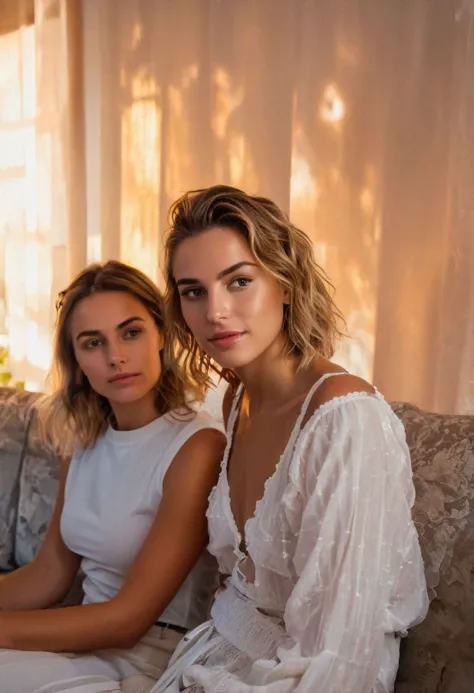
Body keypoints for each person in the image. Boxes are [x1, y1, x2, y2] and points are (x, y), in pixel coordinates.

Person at [151, 185, 429, 693]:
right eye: (193, 291)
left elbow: (342, 654)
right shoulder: (235, 403)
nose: (214, 311)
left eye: (238, 281)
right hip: (213, 658)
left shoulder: (345, 422)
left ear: (285, 283)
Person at [0, 260, 226, 693]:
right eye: (93, 343)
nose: (116, 356)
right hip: (77, 646)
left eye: (131, 332)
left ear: (161, 334)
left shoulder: (197, 446)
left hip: (150, 655)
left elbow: (128, 621)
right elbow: (49, 573)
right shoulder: (86, 441)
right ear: (78, 361)